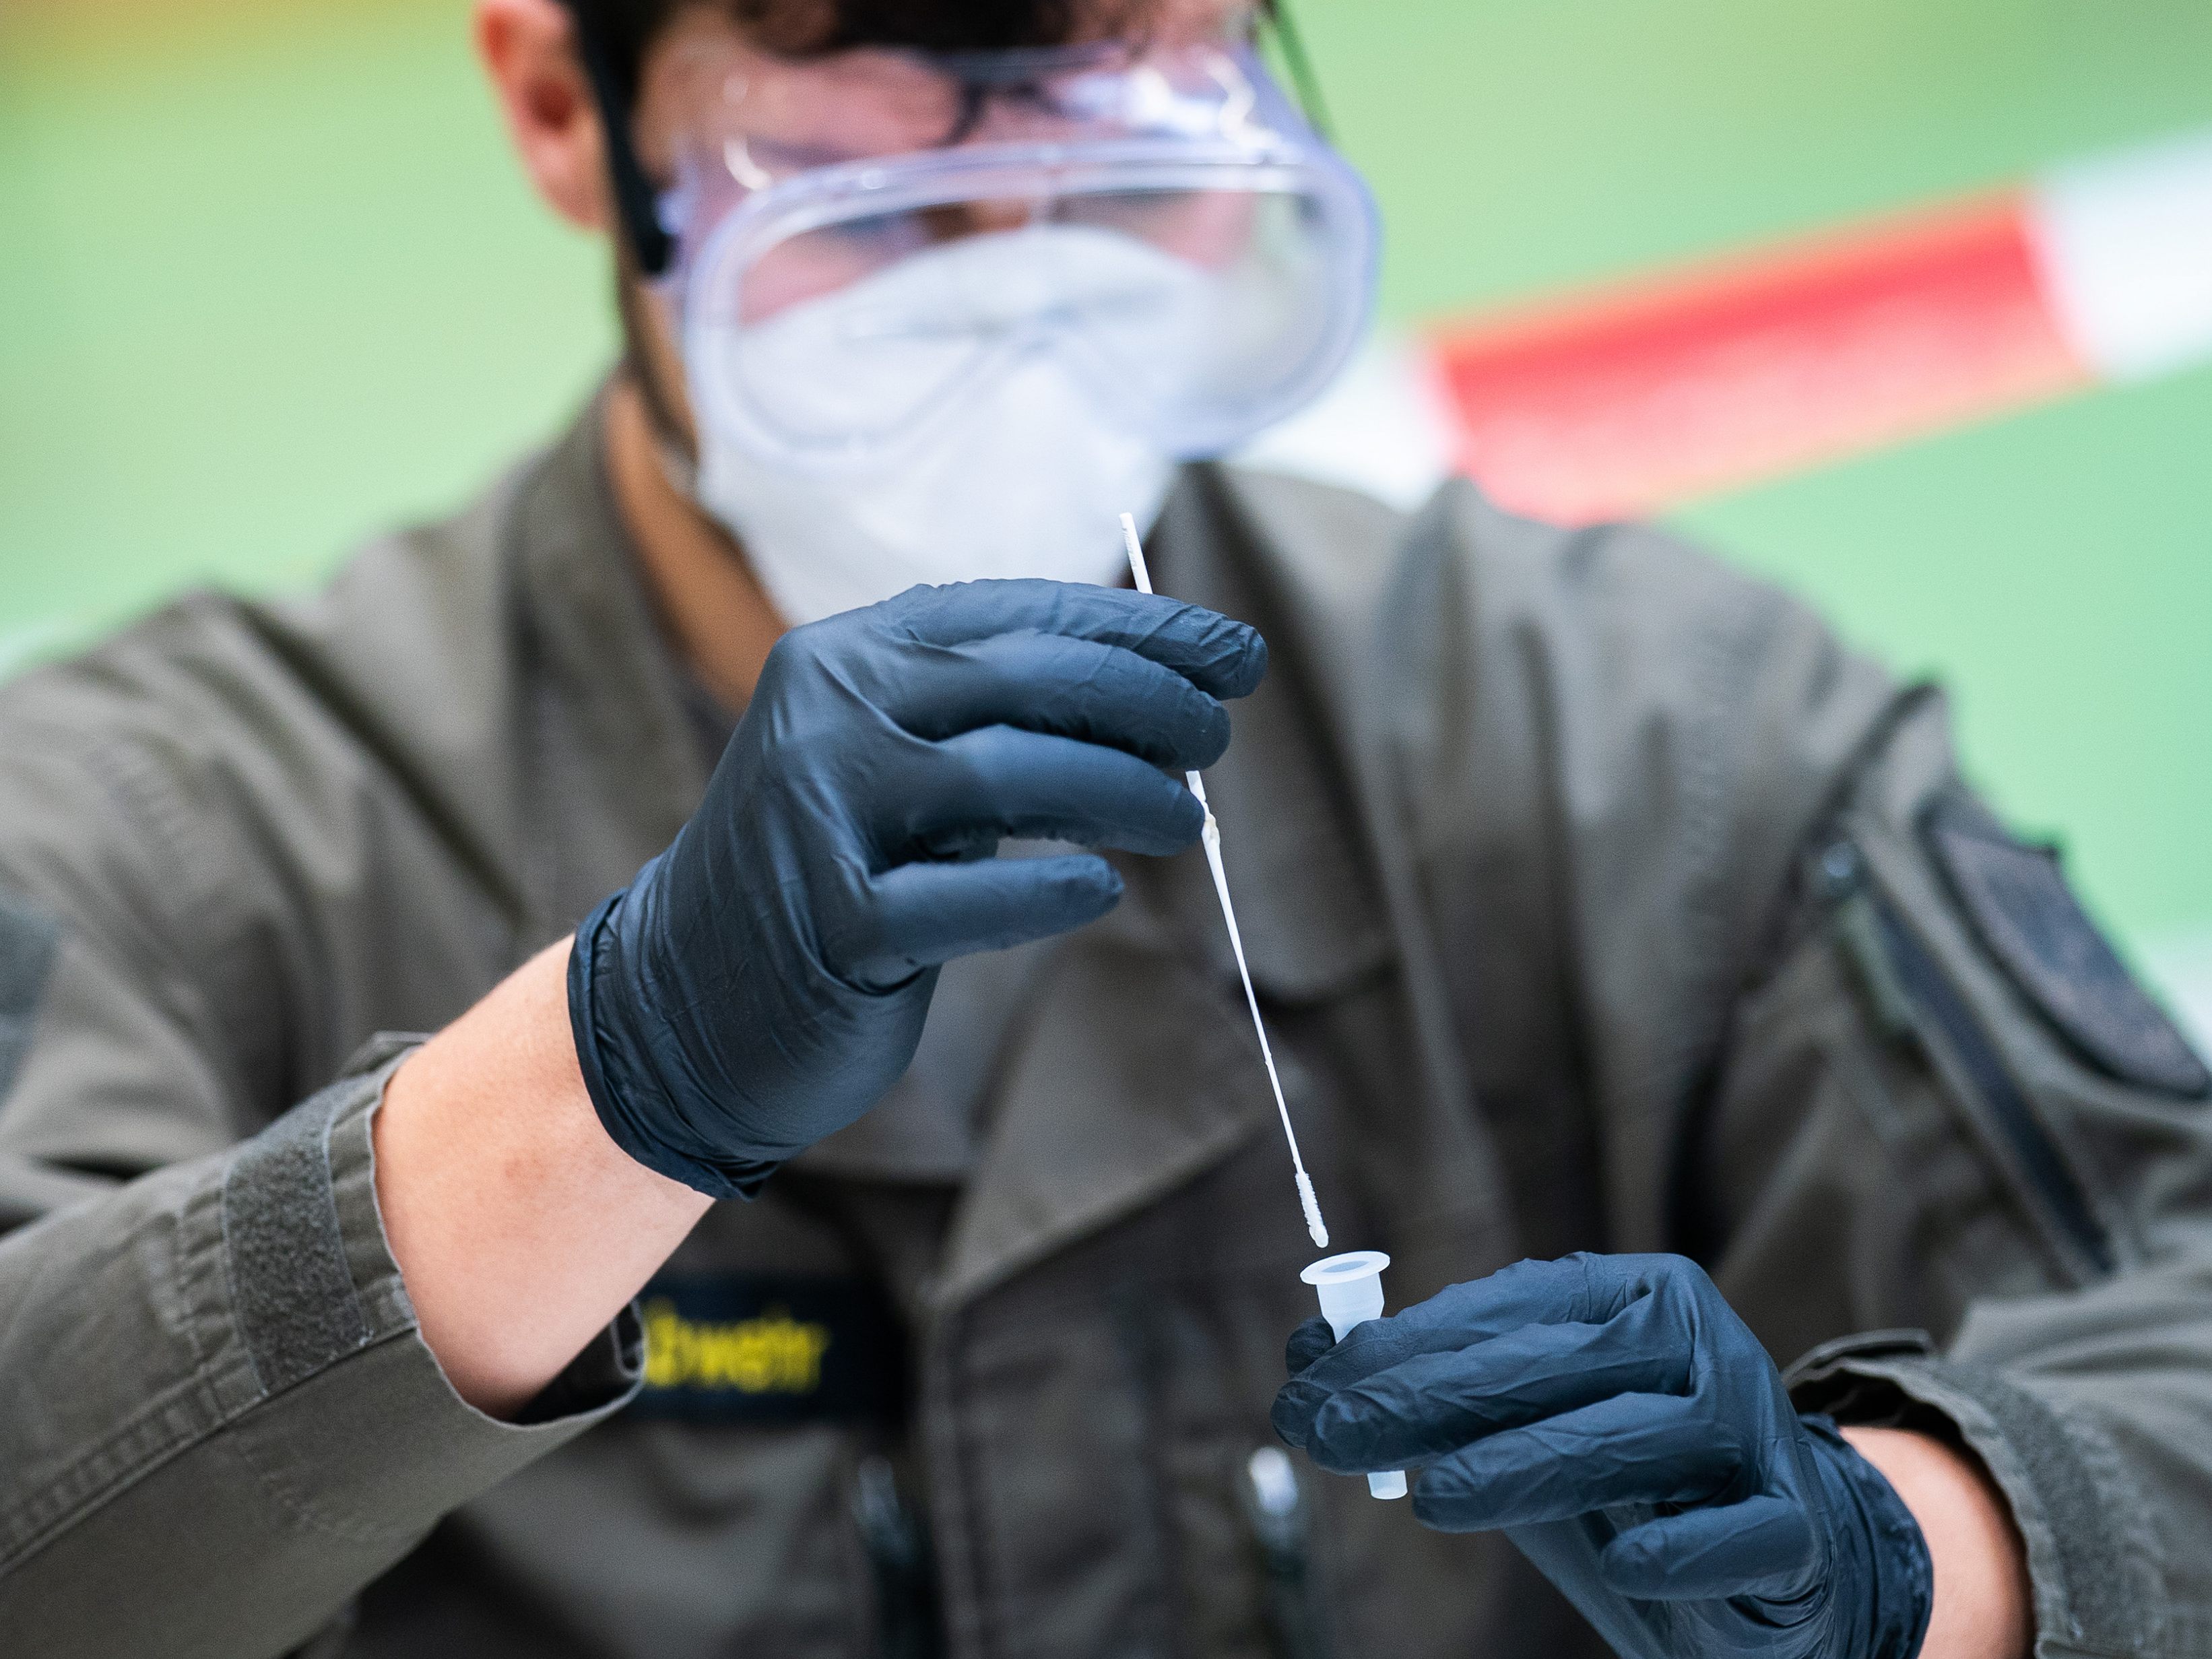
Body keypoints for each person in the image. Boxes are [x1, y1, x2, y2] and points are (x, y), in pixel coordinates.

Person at [0, 0, 2207, 1654]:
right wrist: (605, 1075)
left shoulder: (1646, 737)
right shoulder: (169, 827)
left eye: (1124, 105)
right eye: (880, 122)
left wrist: (1922, 1549)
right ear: (562, 97)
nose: (1025, 248)